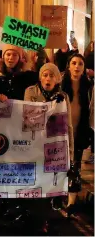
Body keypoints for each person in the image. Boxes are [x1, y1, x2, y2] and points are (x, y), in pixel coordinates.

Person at [24, 63, 75, 227]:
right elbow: (29, 116)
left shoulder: (63, 96)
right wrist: (50, 105)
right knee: (34, 182)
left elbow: (68, 125)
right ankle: (31, 216)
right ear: (40, 77)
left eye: (52, 75)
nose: (48, 78)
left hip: (54, 146)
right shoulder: (30, 91)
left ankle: (43, 219)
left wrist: (70, 152)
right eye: (45, 75)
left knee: (48, 184)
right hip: (34, 144)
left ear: (57, 79)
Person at [61, 54, 94, 208]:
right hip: (61, 131)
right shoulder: (60, 84)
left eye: (80, 64)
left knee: (75, 166)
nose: (77, 66)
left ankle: (71, 201)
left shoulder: (88, 87)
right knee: (60, 165)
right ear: (69, 66)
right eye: (74, 63)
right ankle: (59, 194)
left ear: (84, 67)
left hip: (79, 132)